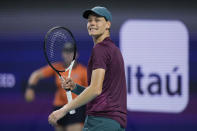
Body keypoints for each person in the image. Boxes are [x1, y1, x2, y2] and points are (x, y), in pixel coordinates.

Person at [48, 6, 127, 131]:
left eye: (97, 20)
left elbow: (95, 90)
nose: (92, 23)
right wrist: (75, 88)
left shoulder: (100, 49)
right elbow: (102, 92)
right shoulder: (113, 49)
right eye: (90, 20)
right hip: (115, 122)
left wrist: (64, 110)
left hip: (100, 121)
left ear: (108, 24)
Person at [25, 42, 87, 131]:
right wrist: (30, 88)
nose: (68, 54)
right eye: (66, 52)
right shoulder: (56, 67)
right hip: (59, 108)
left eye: (71, 52)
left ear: (76, 54)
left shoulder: (83, 71)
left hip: (76, 108)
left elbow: (88, 91)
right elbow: (35, 75)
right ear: (62, 54)